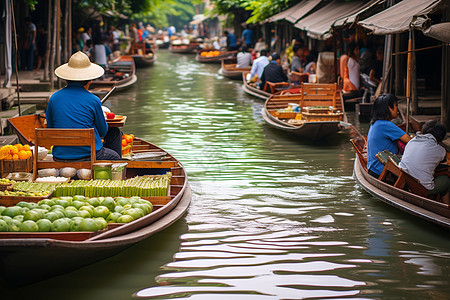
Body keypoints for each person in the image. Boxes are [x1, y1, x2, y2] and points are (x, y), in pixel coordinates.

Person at [46, 51, 122, 161]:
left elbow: (51, 128)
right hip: (88, 155)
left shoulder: (54, 98)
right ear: (89, 81)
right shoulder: (93, 100)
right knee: (115, 152)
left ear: (66, 79)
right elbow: (103, 132)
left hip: (60, 156)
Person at [399, 120, 450, 200]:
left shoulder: (412, 140)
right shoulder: (440, 150)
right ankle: (445, 207)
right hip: (420, 187)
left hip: (404, 179)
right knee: (446, 180)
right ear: (440, 139)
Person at [367, 94, 411, 177]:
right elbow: (410, 140)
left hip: (373, 169)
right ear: (388, 108)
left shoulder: (375, 123)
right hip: (382, 171)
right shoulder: (385, 125)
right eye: (395, 106)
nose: (397, 109)